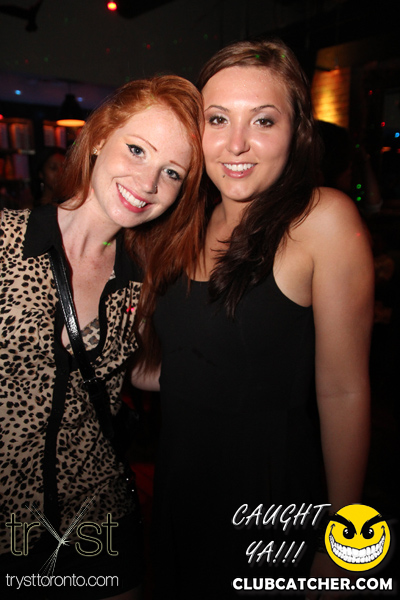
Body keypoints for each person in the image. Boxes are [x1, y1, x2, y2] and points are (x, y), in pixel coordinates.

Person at [133, 39, 374, 599]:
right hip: (180, 486)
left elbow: (343, 391)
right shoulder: (180, 223)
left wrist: (347, 544)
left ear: (297, 130)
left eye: (263, 120)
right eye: (217, 119)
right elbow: (175, 368)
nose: (236, 143)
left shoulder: (321, 220)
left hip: (270, 501)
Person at [0, 74, 204, 600]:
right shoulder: (5, 241)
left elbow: (134, 370)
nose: (148, 183)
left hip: (97, 509)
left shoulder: (144, 279)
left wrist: (230, 367)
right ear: (99, 138)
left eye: (172, 172)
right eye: (137, 149)